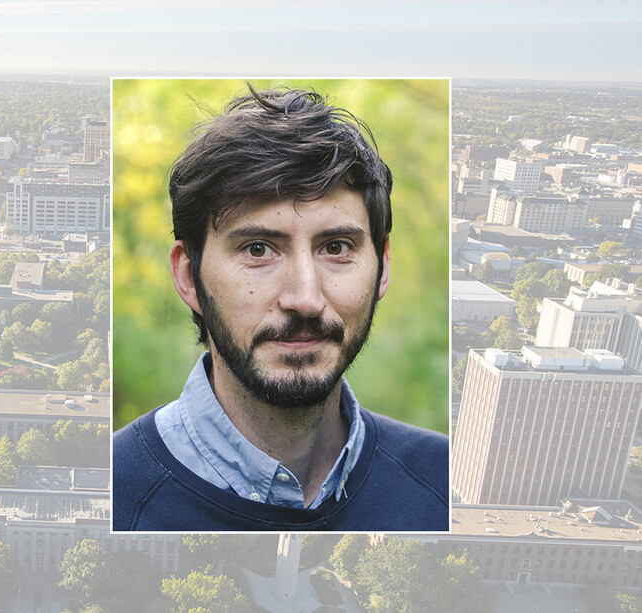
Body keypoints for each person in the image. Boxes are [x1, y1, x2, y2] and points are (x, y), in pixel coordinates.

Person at [113, 86, 448, 531]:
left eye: (336, 247)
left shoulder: (444, 486)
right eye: (257, 249)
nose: (305, 298)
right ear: (189, 276)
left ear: (382, 267)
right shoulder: (112, 498)